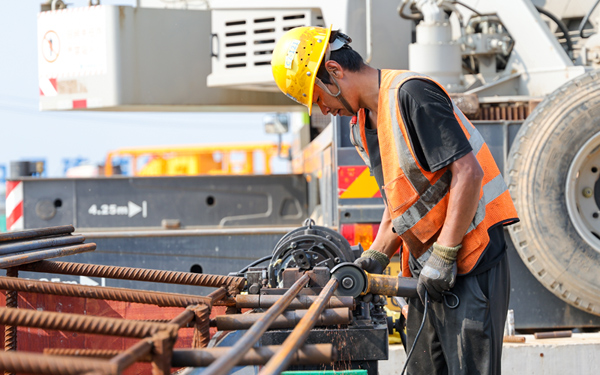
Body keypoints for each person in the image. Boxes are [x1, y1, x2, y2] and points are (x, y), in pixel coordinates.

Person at [271, 25, 519, 375]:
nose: (323, 111)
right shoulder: (361, 124)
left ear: (334, 72)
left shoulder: (411, 94)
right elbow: (399, 199)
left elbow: (469, 173)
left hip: (471, 256)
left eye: (318, 99)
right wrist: (376, 254)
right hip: (428, 267)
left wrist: (445, 253)